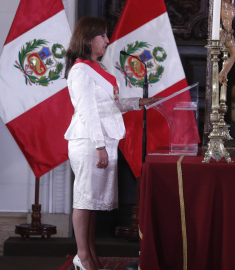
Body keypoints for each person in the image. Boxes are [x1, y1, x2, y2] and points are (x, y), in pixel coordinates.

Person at [64, 16, 160, 270]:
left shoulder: (98, 68)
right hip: (89, 141)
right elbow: (87, 111)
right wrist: (99, 146)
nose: (107, 40)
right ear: (87, 39)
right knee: (84, 199)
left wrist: (137, 103)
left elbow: (108, 106)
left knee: (93, 202)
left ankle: (89, 252)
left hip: (104, 140)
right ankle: (82, 256)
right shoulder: (80, 70)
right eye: (102, 35)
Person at [218, 0, 235, 86]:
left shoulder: (231, 4)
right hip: (221, 33)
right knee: (213, 55)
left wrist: (229, 33)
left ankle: (223, 73)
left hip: (229, 33)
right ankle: (217, 77)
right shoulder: (219, 3)